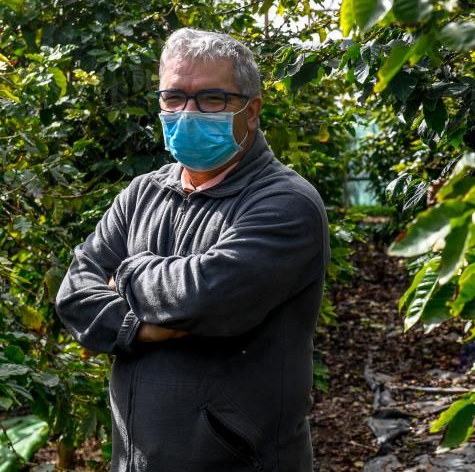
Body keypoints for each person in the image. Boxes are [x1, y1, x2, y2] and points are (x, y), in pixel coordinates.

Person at [55, 28, 330, 471]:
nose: (188, 112)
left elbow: (206, 295)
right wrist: (140, 328)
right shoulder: (142, 193)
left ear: (252, 110)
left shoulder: (285, 203)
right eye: (174, 97)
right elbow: (75, 295)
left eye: (212, 99)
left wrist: (127, 273)